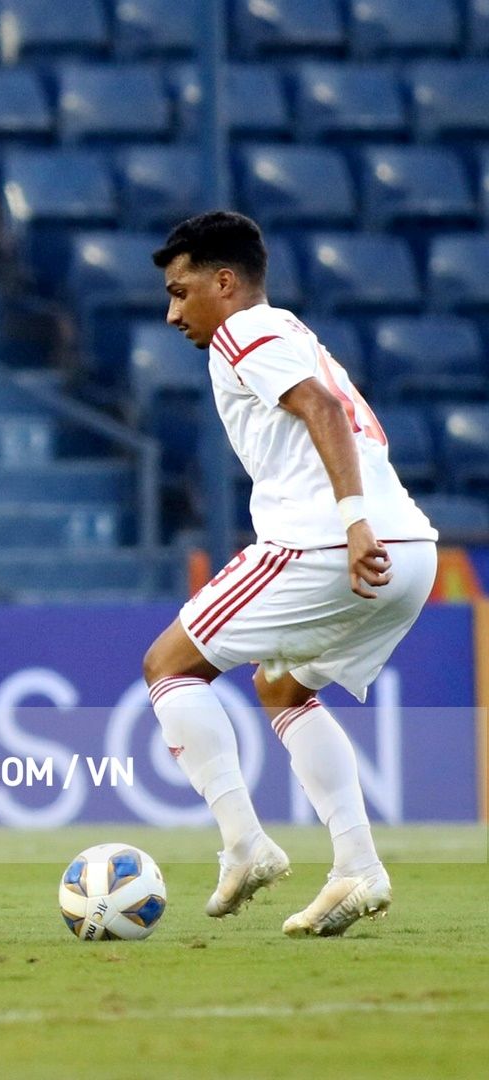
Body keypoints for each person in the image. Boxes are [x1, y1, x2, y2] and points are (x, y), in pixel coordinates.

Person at [140, 211, 437, 937]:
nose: (173, 313)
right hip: (411, 551)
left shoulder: (247, 330)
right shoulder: (292, 332)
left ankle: (245, 844)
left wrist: (351, 519)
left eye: (182, 293)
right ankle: (358, 867)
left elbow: (323, 410)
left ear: (225, 282)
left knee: (168, 666)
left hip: (333, 544)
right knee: (281, 687)